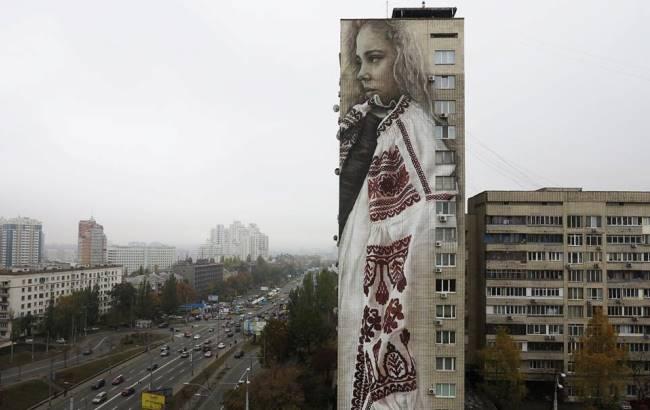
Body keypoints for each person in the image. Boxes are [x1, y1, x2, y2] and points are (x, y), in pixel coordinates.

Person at [338, 20, 456, 410]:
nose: (363, 73)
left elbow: (425, 228)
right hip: (361, 298)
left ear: (402, 60)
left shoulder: (417, 131)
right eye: (359, 61)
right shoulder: (369, 120)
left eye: (374, 58)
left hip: (391, 309)